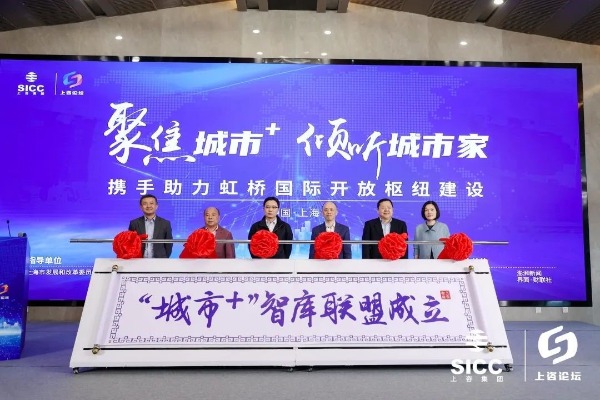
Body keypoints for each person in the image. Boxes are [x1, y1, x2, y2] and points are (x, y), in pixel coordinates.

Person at [128, 194, 173, 258]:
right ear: (141, 207)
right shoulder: (134, 223)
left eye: (151, 203)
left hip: (159, 260)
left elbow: (169, 244)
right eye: (145, 204)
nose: (148, 206)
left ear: (156, 206)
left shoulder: (165, 223)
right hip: (139, 260)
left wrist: (164, 258)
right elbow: (130, 243)